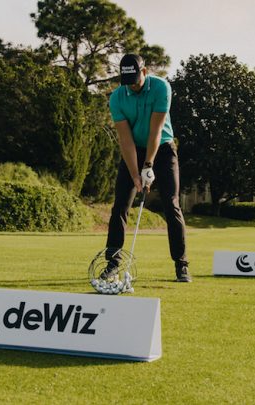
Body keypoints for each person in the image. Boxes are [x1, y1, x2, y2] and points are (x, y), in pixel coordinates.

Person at [101, 53, 191, 283]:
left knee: (171, 203)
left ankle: (181, 264)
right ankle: (112, 264)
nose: (132, 86)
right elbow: (125, 140)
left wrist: (148, 167)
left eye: (135, 80)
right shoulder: (117, 98)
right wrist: (135, 174)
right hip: (134, 150)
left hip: (163, 148)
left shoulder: (161, 88)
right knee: (120, 205)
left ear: (144, 71)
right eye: (127, 81)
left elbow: (155, 132)